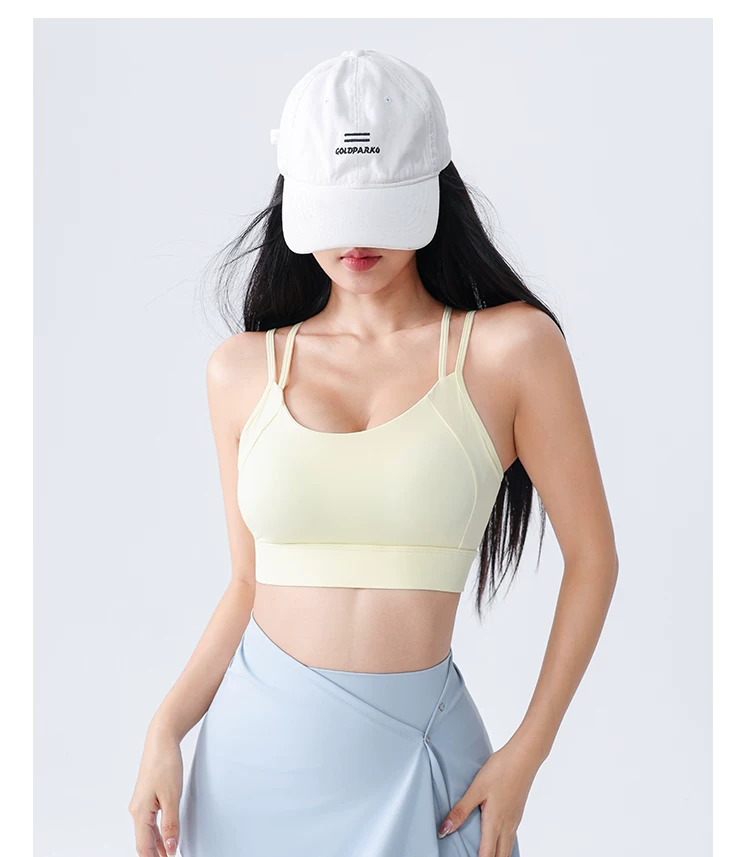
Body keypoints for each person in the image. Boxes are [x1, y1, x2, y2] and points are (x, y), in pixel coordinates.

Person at [128, 48, 618, 857]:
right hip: (249, 771)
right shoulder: (240, 371)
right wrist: (165, 726)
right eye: (336, 209)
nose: (356, 238)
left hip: (422, 769)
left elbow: (593, 559)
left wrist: (527, 752)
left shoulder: (512, 351)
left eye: (382, 210)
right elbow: (247, 583)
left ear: (434, 193)